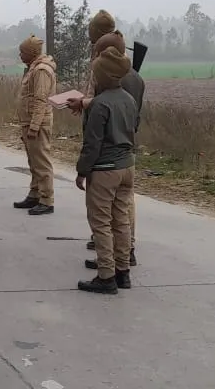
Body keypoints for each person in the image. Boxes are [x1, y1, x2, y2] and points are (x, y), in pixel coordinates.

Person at [75, 46, 139, 295]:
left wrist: (82, 171)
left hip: (104, 169)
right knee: (120, 219)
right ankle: (123, 272)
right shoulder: (129, 100)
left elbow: (92, 144)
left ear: (103, 75)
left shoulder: (100, 105)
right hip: (127, 166)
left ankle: (106, 275)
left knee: (100, 222)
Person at [14, 35, 57, 215]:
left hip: (37, 123)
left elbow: (40, 100)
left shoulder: (41, 71)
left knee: (41, 161)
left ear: (31, 53)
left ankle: (46, 199)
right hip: (29, 120)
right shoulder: (33, 68)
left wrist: (34, 126)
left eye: (22, 52)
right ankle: (35, 193)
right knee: (33, 161)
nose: (20, 55)